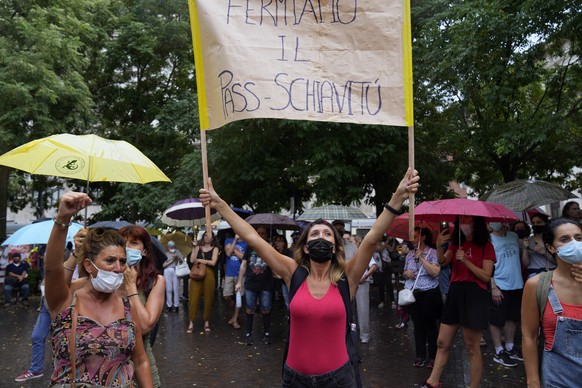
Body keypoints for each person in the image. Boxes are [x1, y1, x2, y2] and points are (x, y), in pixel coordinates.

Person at [200, 168, 419, 386]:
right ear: (305, 247)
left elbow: (371, 239)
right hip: (295, 380)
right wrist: (219, 205)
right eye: (315, 234)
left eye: (327, 234)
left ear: (334, 247)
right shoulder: (292, 272)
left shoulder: (347, 278)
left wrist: (397, 197)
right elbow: (253, 238)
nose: (321, 238)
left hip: (338, 380)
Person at [45, 192, 153, 387]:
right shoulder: (66, 302)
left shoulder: (128, 307)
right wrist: (62, 219)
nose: (118, 267)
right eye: (110, 260)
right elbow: (52, 269)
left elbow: (140, 360)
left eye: (122, 261)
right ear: (88, 265)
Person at [423, 215, 496, 388]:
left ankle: (473, 386)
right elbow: (442, 262)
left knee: (472, 346)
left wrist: (466, 261)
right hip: (454, 292)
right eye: (461, 221)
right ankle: (433, 382)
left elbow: (485, 276)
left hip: (474, 294)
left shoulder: (487, 246)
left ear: (476, 224)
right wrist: (440, 246)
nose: (464, 225)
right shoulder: (456, 244)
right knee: (442, 342)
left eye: (467, 221)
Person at [14, 228, 87, 383]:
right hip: (47, 305)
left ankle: (69, 374)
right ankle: (36, 369)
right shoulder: (51, 264)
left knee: (67, 342)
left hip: (68, 306)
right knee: (37, 336)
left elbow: (78, 283)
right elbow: (48, 280)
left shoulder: (76, 260)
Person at [522, 217, 582, 387]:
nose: (574, 243)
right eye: (565, 239)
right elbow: (529, 336)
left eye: (578, 238)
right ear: (550, 247)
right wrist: (533, 381)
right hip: (558, 379)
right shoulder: (537, 285)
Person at [119, 225, 165, 387]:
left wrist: (131, 288)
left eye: (133, 243)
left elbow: (146, 326)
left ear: (144, 251)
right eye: (122, 243)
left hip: (142, 364)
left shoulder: (156, 281)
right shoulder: (109, 280)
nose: (126, 247)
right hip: (112, 366)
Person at [402, 227, 442, 368]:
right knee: (417, 325)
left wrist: (422, 258)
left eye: (416, 236)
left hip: (429, 293)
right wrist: (407, 273)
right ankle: (420, 355)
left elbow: (435, 272)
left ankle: (433, 356)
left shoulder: (433, 253)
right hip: (413, 293)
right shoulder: (409, 255)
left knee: (430, 325)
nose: (413, 240)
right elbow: (405, 271)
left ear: (423, 237)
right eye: (412, 237)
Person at [487, 221, 524, 368]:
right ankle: (498, 350)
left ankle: (509, 347)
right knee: (496, 319)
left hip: (516, 283)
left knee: (512, 318)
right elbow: (487, 265)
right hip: (499, 285)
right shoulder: (489, 240)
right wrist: (493, 286)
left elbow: (520, 257)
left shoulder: (513, 236)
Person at [237, 225, 275, 346]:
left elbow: (275, 264)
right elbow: (243, 265)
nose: (260, 235)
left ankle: (267, 334)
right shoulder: (249, 248)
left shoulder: (270, 248)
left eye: (263, 233)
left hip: (266, 283)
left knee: (266, 309)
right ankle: (248, 334)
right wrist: (239, 282)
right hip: (251, 283)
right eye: (258, 233)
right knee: (249, 309)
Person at [187, 231, 219, 333]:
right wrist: (194, 247)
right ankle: (191, 322)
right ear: (203, 236)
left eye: (209, 236)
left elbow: (213, 262)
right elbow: (192, 260)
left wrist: (200, 260)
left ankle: (206, 322)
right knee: (193, 299)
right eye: (205, 235)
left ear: (213, 238)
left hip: (209, 275)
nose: (207, 237)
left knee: (208, 299)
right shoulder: (197, 247)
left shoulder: (215, 248)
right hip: (196, 274)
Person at [224, 233, 247, 329]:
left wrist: (233, 249)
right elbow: (228, 253)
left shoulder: (246, 244)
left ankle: (235, 318)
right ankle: (235, 312)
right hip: (229, 273)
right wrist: (234, 241)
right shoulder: (228, 240)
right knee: (226, 296)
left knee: (238, 297)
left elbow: (243, 257)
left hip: (240, 274)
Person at [355, 250, 379, 344]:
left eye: (350, 240)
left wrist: (365, 276)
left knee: (363, 309)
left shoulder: (363, 252)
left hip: (362, 282)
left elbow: (374, 266)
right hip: (347, 283)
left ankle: (364, 335)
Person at [523, 213, 556, 278]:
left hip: (552, 274)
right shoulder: (529, 240)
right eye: (533, 223)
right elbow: (525, 264)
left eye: (539, 222)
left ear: (545, 223)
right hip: (535, 276)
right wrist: (525, 248)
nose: (536, 225)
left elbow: (557, 262)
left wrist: (545, 253)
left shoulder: (552, 239)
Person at [163, 240, 184, 312]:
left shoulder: (177, 252)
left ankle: (176, 306)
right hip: (167, 271)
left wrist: (177, 257)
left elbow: (182, 262)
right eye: (170, 246)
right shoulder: (165, 254)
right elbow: (163, 265)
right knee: (168, 289)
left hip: (176, 270)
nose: (172, 248)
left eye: (173, 246)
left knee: (176, 288)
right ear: (168, 247)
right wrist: (171, 261)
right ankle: (169, 305)